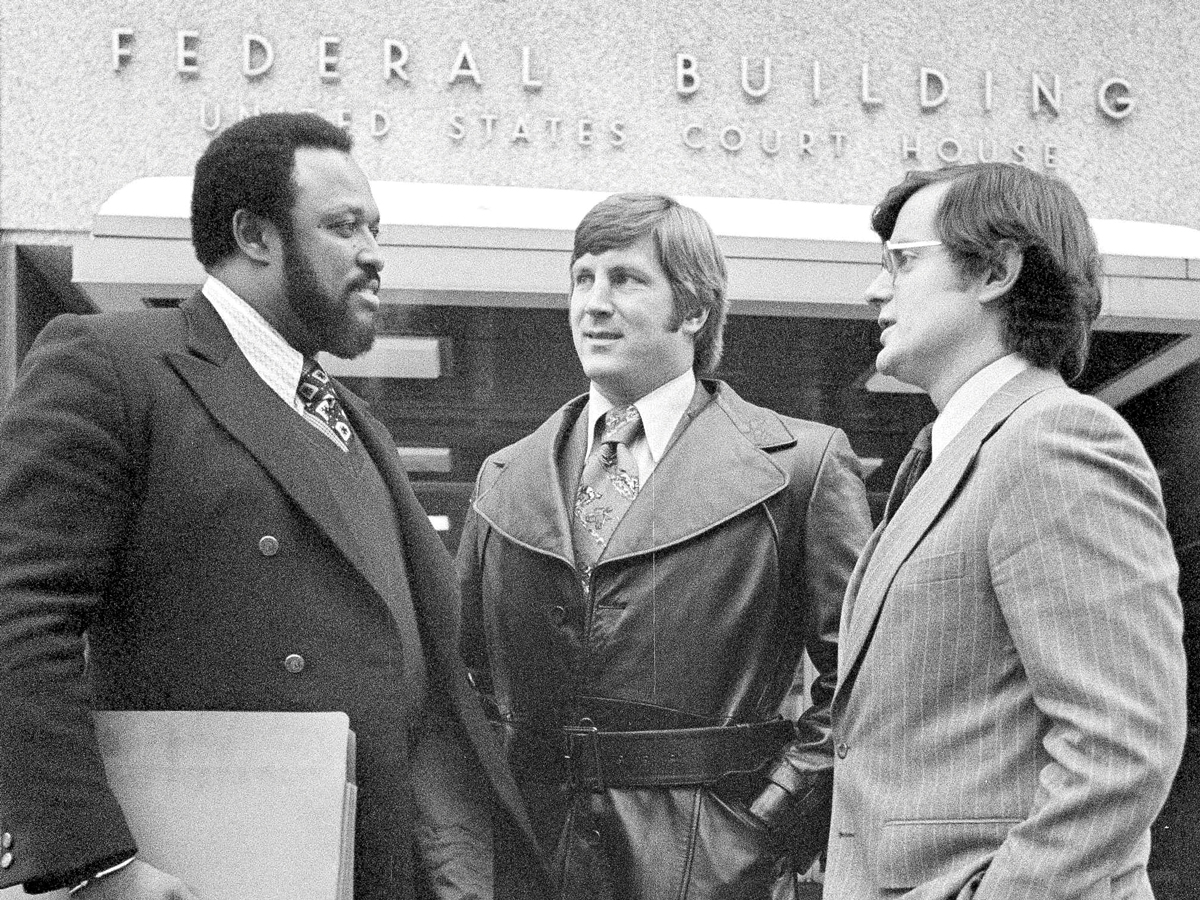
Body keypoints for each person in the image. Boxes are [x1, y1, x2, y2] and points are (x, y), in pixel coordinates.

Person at [0, 113, 546, 900]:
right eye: (342, 226)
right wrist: (97, 864)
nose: (373, 253)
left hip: (376, 864)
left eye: (374, 228)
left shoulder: (356, 420)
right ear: (255, 235)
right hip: (209, 864)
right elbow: (19, 613)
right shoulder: (113, 364)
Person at [456, 192, 872, 899]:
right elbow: (463, 677)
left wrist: (772, 816)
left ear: (695, 308)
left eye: (625, 279)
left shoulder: (802, 464)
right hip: (528, 858)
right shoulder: (504, 477)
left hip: (712, 862)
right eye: (582, 278)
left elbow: (861, 679)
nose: (593, 302)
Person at [824, 162, 1187, 899]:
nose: (874, 289)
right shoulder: (952, 455)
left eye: (901, 261)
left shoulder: (1056, 441)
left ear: (996, 270)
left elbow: (1120, 748)